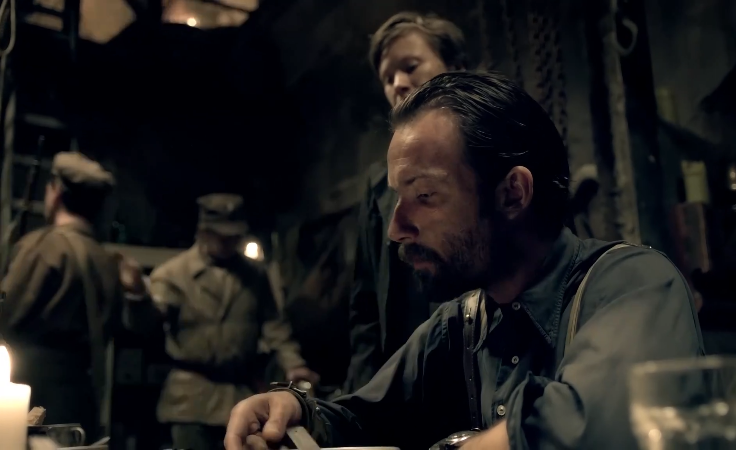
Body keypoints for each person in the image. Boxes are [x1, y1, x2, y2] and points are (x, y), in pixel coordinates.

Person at [224, 73, 704, 450]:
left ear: (512, 193)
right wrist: (297, 412)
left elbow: (592, 427)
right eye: (397, 199)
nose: (396, 229)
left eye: (425, 196)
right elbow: (363, 418)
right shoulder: (461, 324)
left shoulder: (632, 284)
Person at [123, 194, 319, 450]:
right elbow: (147, 325)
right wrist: (138, 297)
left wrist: (294, 364)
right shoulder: (173, 274)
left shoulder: (254, 276)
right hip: (190, 400)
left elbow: (275, 327)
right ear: (203, 232)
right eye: (221, 236)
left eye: (234, 236)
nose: (229, 242)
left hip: (241, 395)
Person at [345, 11, 470, 393]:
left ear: (453, 66)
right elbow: (367, 307)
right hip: (407, 386)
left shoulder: (492, 150)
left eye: (410, 66)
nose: (398, 83)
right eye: (387, 78)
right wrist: (361, 402)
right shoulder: (380, 185)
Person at [0, 151, 118, 442]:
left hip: (32, 391)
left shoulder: (44, 246)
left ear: (56, 193)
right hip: (80, 390)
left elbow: (7, 313)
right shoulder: (104, 257)